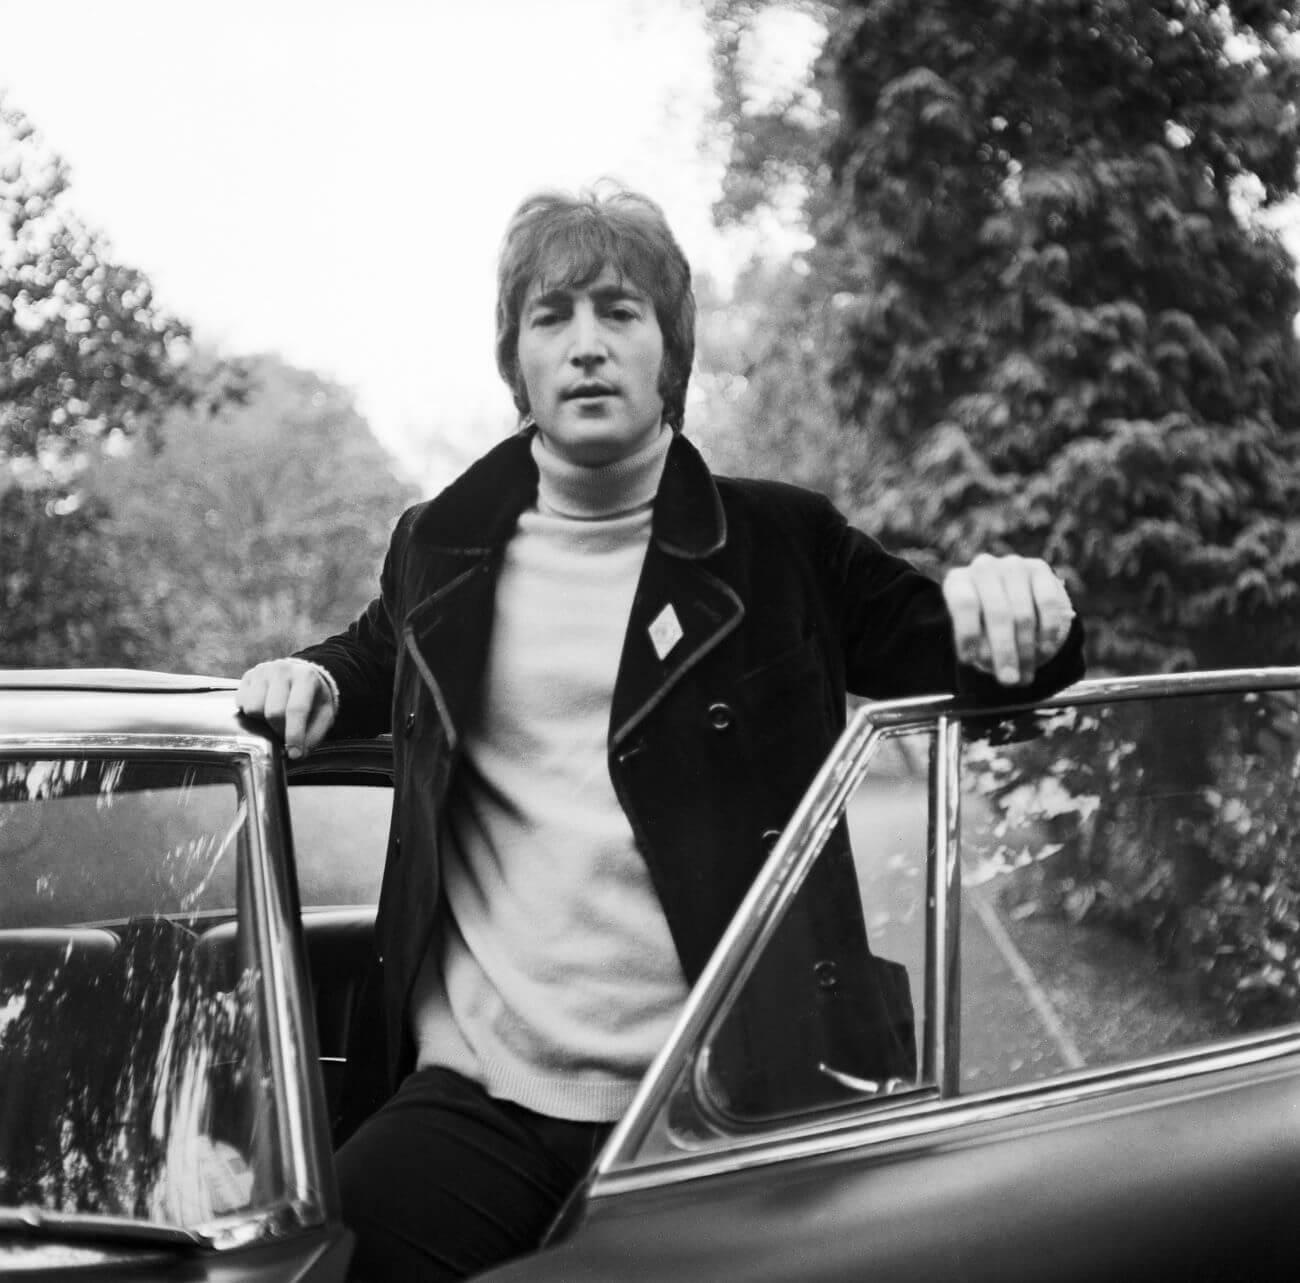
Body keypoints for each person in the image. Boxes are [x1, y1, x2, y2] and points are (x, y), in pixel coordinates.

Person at [238, 184, 1085, 1281]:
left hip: (729, 1095)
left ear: (668, 351)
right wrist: (306, 673)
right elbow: (370, 656)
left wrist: (1020, 611)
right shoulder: (437, 543)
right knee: (315, 1264)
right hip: (482, 1096)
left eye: (619, 311)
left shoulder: (783, 542)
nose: (585, 343)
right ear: (517, 361)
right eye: (552, 316)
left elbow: (979, 660)